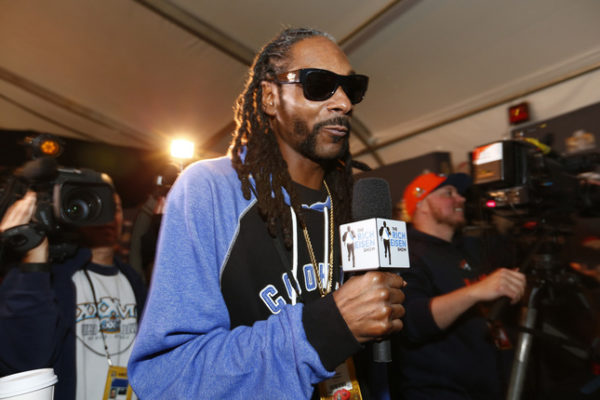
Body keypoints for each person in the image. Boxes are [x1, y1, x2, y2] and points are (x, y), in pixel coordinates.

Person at [128, 27, 406, 399]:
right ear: (270, 98)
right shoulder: (210, 189)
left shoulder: (356, 197)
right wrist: (324, 330)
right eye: (319, 84)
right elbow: (168, 376)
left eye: (351, 88)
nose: (343, 103)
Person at [389, 172, 527, 400]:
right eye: (448, 193)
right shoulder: (406, 252)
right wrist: (476, 291)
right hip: (442, 392)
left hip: (495, 388)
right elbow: (411, 321)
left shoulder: (466, 247)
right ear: (421, 204)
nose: (461, 199)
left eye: (459, 193)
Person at [0, 186, 147, 400]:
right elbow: (24, 359)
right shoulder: (53, 277)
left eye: (113, 208)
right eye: (96, 204)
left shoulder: (134, 280)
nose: (107, 216)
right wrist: (34, 263)